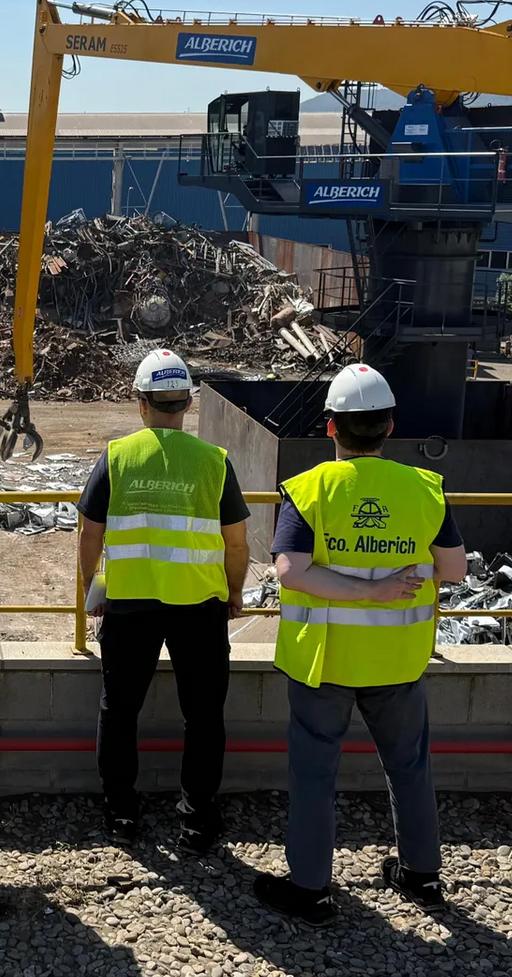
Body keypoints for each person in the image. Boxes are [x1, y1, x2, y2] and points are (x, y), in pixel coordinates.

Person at [251, 362, 468, 926]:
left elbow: (290, 571)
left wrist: (360, 588)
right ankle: (421, 876)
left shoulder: (311, 489)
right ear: (390, 426)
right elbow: (455, 569)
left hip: (323, 660)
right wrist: (388, 583)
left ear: (331, 429)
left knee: (314, 775)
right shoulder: (424, 488)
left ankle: (312, 891)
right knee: (410, 767)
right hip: (398, 660)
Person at [77, 350, 250, 856]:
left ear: (142, 404)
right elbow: (237, 542)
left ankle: (121, 813)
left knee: (120, 709)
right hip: (199, 606)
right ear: (187, 404)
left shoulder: (117, 456)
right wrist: (234, 590)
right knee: (203, 715)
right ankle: (196, 819)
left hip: (129, 605)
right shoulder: (214, 462)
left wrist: (95, 588)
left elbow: (90, 532)